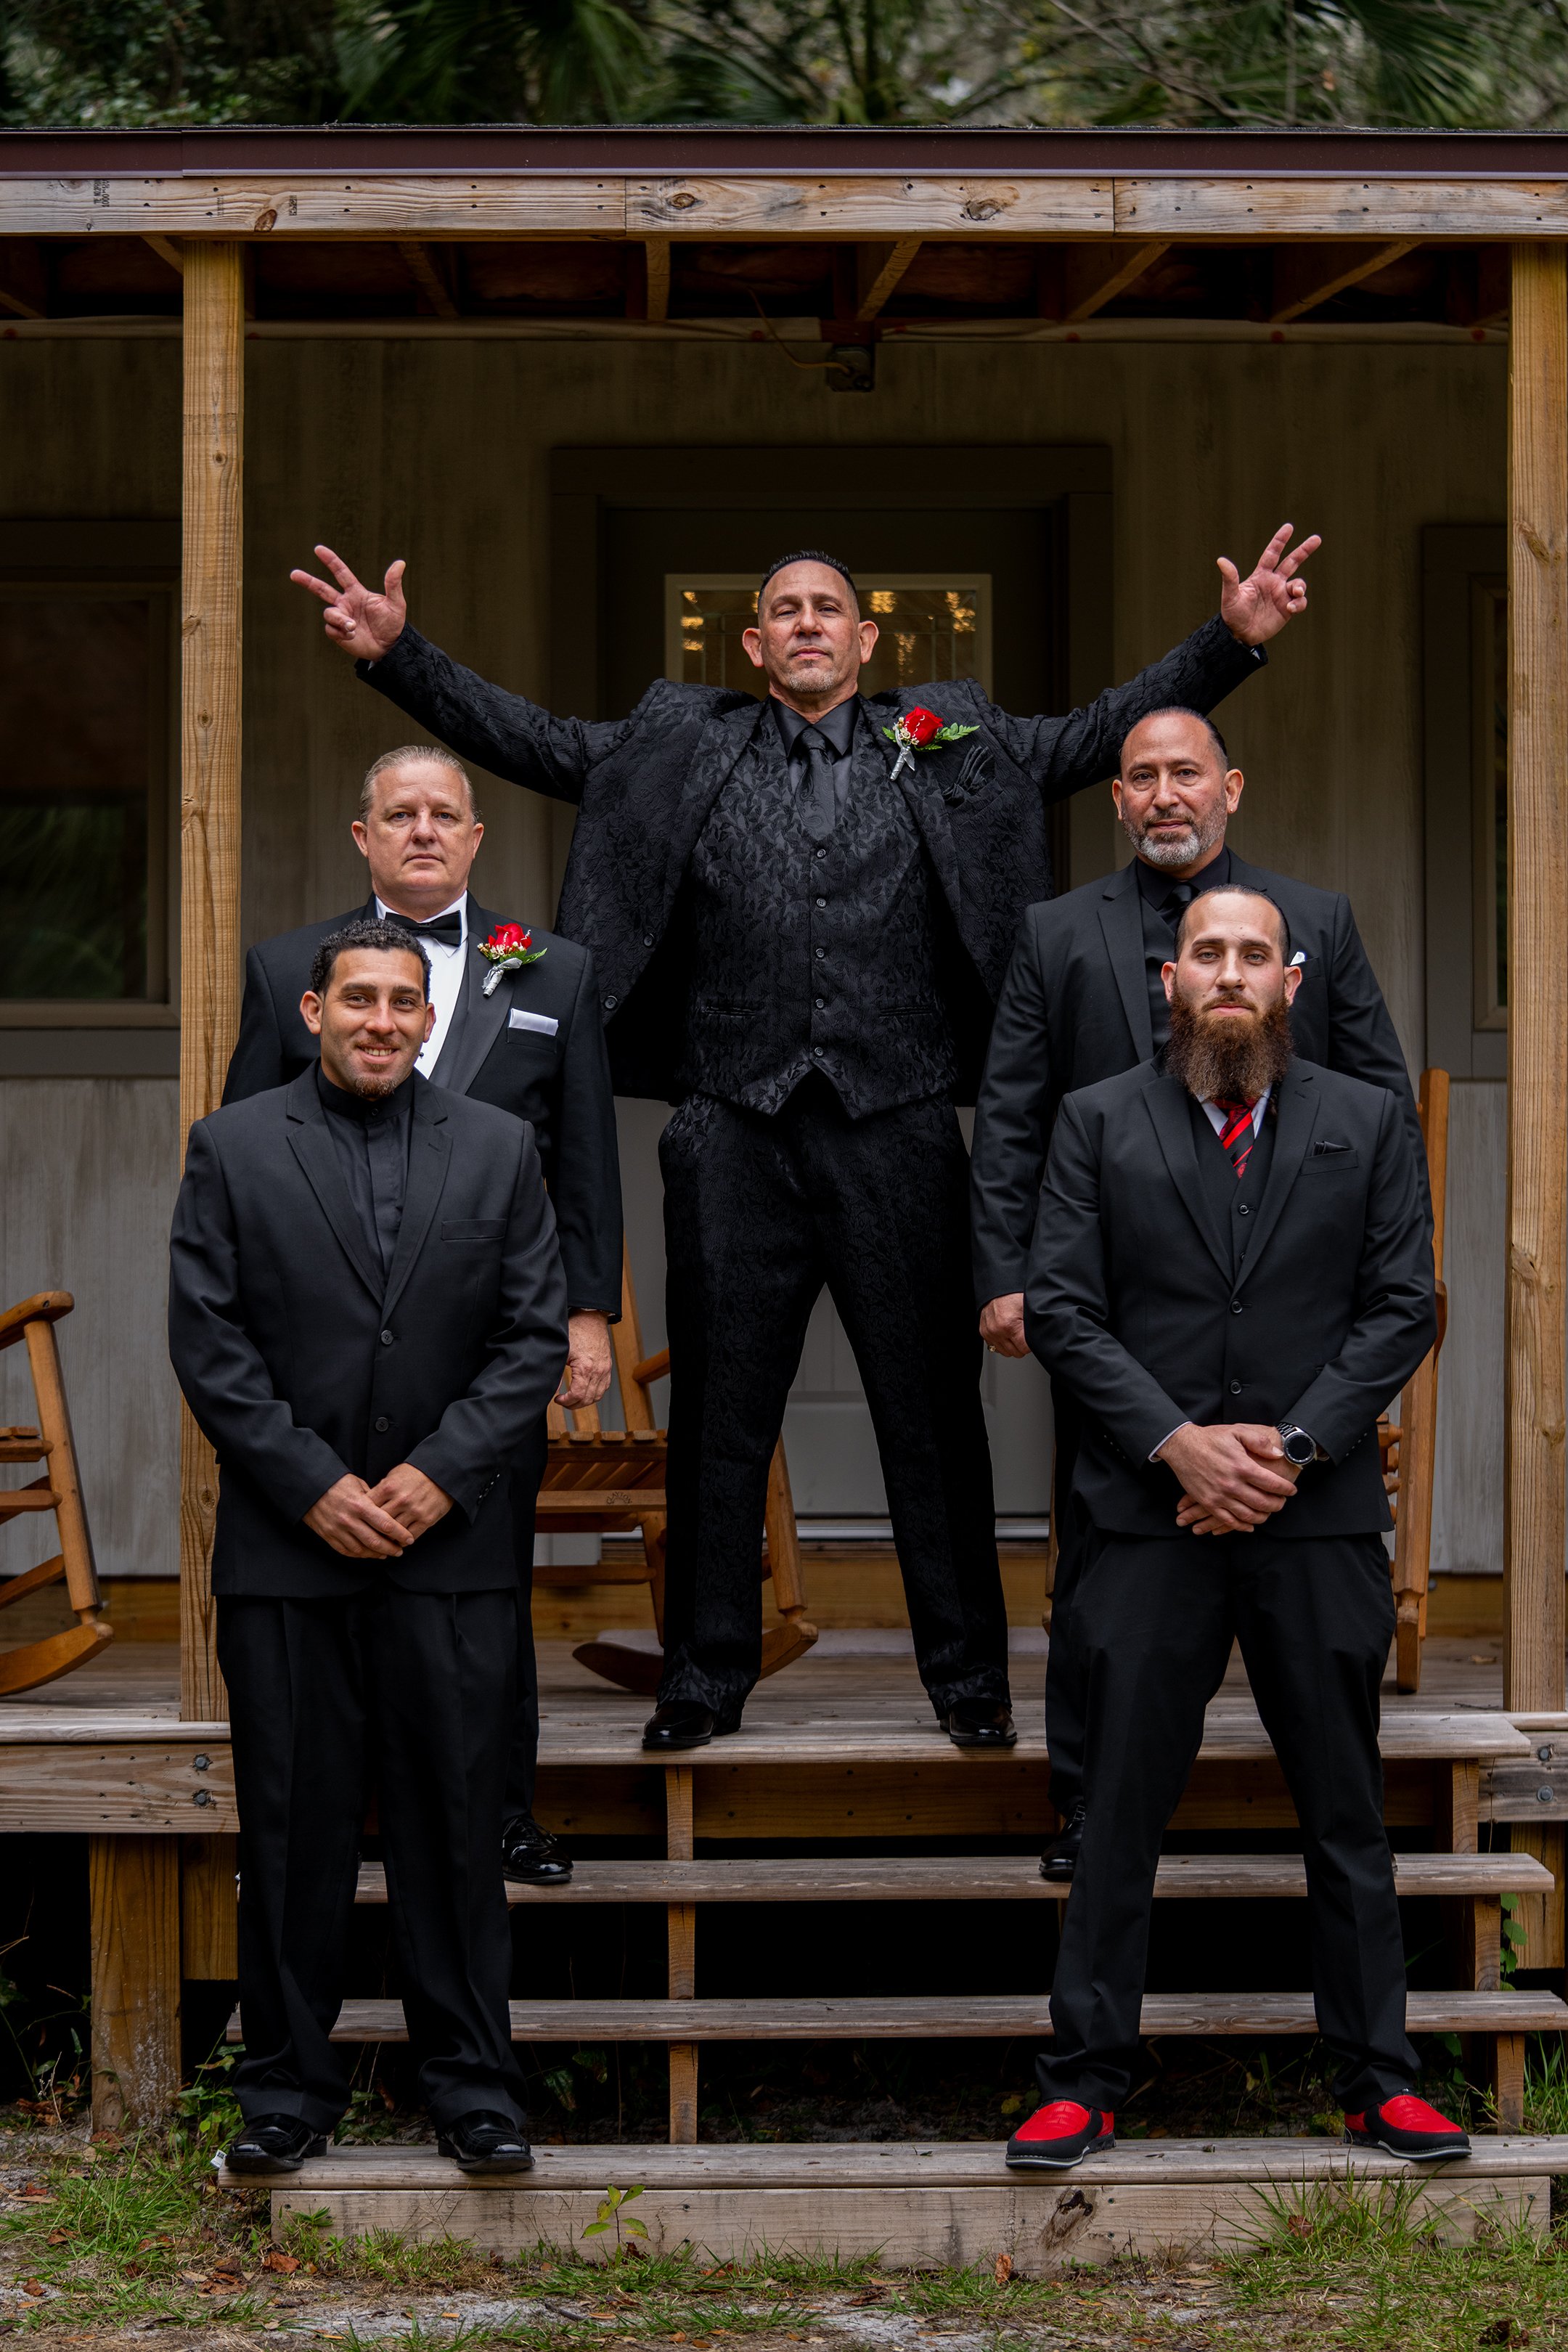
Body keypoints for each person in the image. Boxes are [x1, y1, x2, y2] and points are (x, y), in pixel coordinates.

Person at [288, 526, 1318, 1753]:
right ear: (755, 642)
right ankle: (705, 1678)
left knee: (932, 1417)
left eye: (831, 608)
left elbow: (1104, 730)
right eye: (787, 610)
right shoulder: (680, 741)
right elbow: (539, 744)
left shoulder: (951, 740)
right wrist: (400, 659)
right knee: (722, 1417)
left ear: (869, 640)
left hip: (901, 1126)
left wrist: (1234, 642)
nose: (811, 623)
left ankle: (968, 1681)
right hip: (733, 1127)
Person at [1005, 885, 1466, 2173]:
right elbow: (1064, 1307)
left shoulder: (1365, 1123)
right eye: (1206, 953)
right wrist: (1180, 1447)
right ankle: (1082, 2078)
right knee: (1114, 1815)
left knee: (1345, 1811)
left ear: (1291, 981)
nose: (1228, 973)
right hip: (1144, 1523)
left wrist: (1292, 1447)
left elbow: (1400, 1307)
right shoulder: (1098, 1122)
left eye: (1252, 955)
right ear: (1170, 979)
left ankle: (1382, 2078)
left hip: (1312, 1523)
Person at [970, 706, 1425, 1879]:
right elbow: (1015, 1114)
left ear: (1231, 786)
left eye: (1187, 774)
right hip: (1111, 1303)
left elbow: (1379, 1096)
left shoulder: (1312, 920)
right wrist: (1010, 1276)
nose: (1166, 794)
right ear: (1117, 801)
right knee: (1100, 1553)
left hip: (1285, 1301)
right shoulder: (1058, 932)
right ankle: (1090, 1796)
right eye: (1142, 778)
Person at [171, 920, 568, 2176]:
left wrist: (436, 1476)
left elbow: (530, 1339)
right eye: (360, 1000)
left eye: (405, 1001)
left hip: (450, 1557)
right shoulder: (233, 1148)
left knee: (457, 1826)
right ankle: (286, 2089)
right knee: (292, 1828)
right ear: (312, 1011)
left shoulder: (501, 1152)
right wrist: (312, 1486)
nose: (383, 1020)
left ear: (429, 1020)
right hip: (290, 1561)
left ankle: (474, 2088)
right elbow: (209, 1342)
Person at [224, 744, 621, 1887]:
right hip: (327, 1338)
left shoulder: (550, 971)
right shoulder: (287, 968)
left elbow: (586, 1158)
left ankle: (497, 1809)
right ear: (364, 836)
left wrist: (585, 1317)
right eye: (400, 814)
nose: (424, 831)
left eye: (446, 814)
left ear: (477, 836)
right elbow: (246, 1161)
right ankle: (335, 1810)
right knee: (331, 1559)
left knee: (485, 1576)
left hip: (493, 1334)